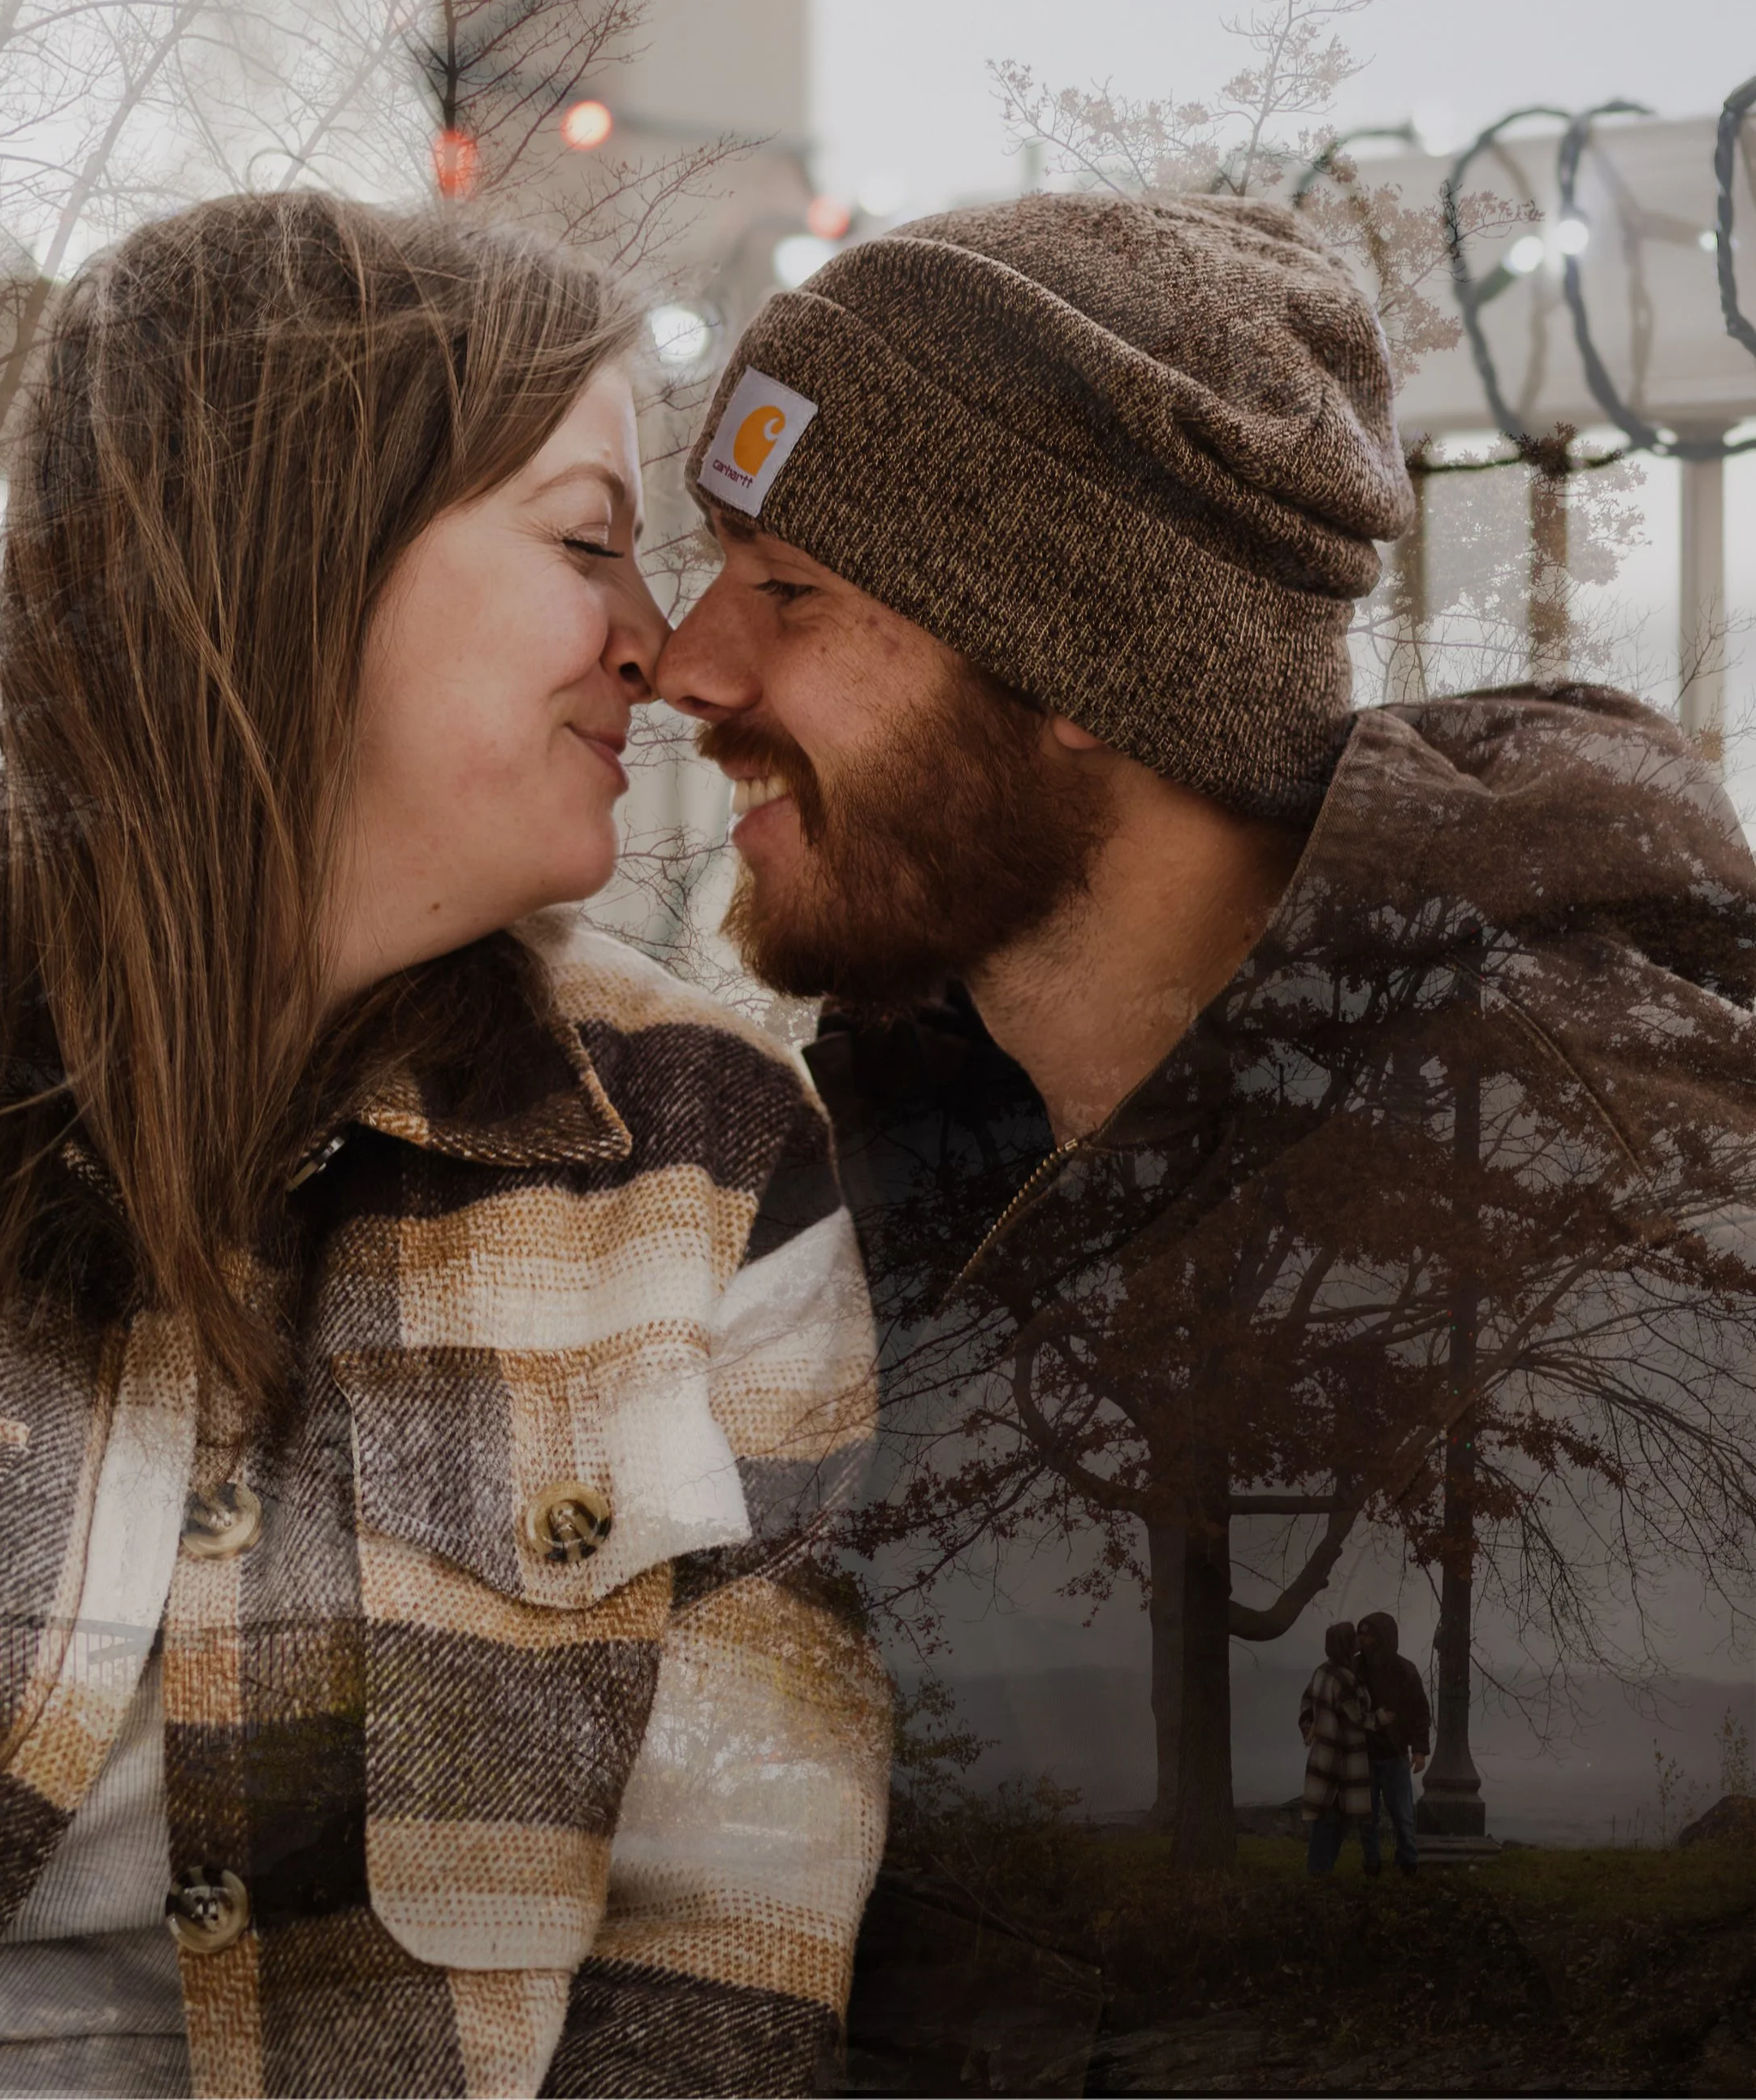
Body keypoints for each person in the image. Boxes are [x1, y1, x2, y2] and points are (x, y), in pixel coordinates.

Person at [0, 193, 888, 2100]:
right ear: (294, 555)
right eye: (591, 540)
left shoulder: (703, 1149)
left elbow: (732, 1935)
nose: (657, 644)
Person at [654, 191, 1756, 1847]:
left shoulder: (1646, 1224)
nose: (686, 665)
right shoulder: (839, 1213)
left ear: (1076, 667)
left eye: (787, 590)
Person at [1356, 1611, 1431, 1877]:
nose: (1362, 1640)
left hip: (1396, 1753)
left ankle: (1409, 1862)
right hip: (1363, 1754)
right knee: (1367, 1816)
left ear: (1381, 1638)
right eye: (1361, 1635)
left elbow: (1420, 1712)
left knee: (1402, 1814)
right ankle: (1372, 1864)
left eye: (1368, 1635)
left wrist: (1419, 1749)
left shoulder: (1405, 1670)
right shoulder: (1355, 1669)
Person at [1298, 1623, 1373, 1876]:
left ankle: (1320, 1870)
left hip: (1322, 1751)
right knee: (1334, 1818)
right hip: (1342, 1756)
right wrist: (1379, 1718)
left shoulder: (1321, 1671)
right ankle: (1320, 1871)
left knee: (1326, 1815)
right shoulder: (1344, 1678)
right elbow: (1357, 1716)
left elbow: (1306, 1702)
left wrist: (1309, 1727)